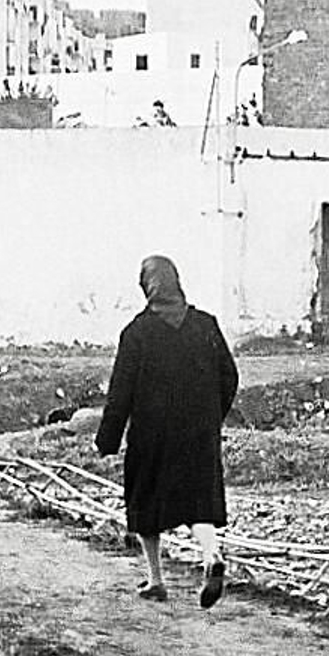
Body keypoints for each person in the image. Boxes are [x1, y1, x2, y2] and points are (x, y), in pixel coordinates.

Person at [95, 255, 239, 607]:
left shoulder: (137, 332)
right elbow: (230, 377)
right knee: (198, 502)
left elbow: (121, 392)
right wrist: (210, 418)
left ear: (147, 286)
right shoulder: (206, 324)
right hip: (198, 435)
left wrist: (107, 439)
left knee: (146, 503)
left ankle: (157, 580)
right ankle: (211, 556)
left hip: (152, 435)